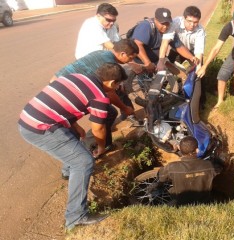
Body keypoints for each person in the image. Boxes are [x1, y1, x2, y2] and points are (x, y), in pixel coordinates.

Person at [18, 63, 126, 230]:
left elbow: (63, 103)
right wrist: (101, 147)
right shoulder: (99, 97)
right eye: (118, 85)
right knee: (84, 162)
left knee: (74, 139)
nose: (117, 88)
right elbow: (98, 128)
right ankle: (76, 216)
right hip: (40, 128)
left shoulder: (76, 77)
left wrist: (74, 125)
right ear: (112, 83)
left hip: (29, 117)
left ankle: (68, 172)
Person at [52, 38, 140, 122]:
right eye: (131, 58)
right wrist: (125, 108)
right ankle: (96, 135)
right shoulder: (109, 64)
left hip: (57, 81)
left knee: (113, 102)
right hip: (63, 90)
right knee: (107, 113)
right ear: (123, 54)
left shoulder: (102, 52)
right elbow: (110, 93)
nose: (130, 61)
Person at [130, 7, 199, 74]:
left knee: (177, 73)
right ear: (155, 20)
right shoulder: (146, 26)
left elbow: (179, 46)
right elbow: (137, 44)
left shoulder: (169, 30)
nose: (165, 26)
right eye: (162, 24)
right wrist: (147, 63)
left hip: (158, 59)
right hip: (142, 60)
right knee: (147, 80)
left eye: (167, 23)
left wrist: (191, 57)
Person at [158, 136, 222, 206]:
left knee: (170, 194)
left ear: (179, 148)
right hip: (205, 204)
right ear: (197, 150)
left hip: (180, 205)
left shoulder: (172, 167)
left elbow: (160, 177)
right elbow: (219, 169)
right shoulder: (209, 165)